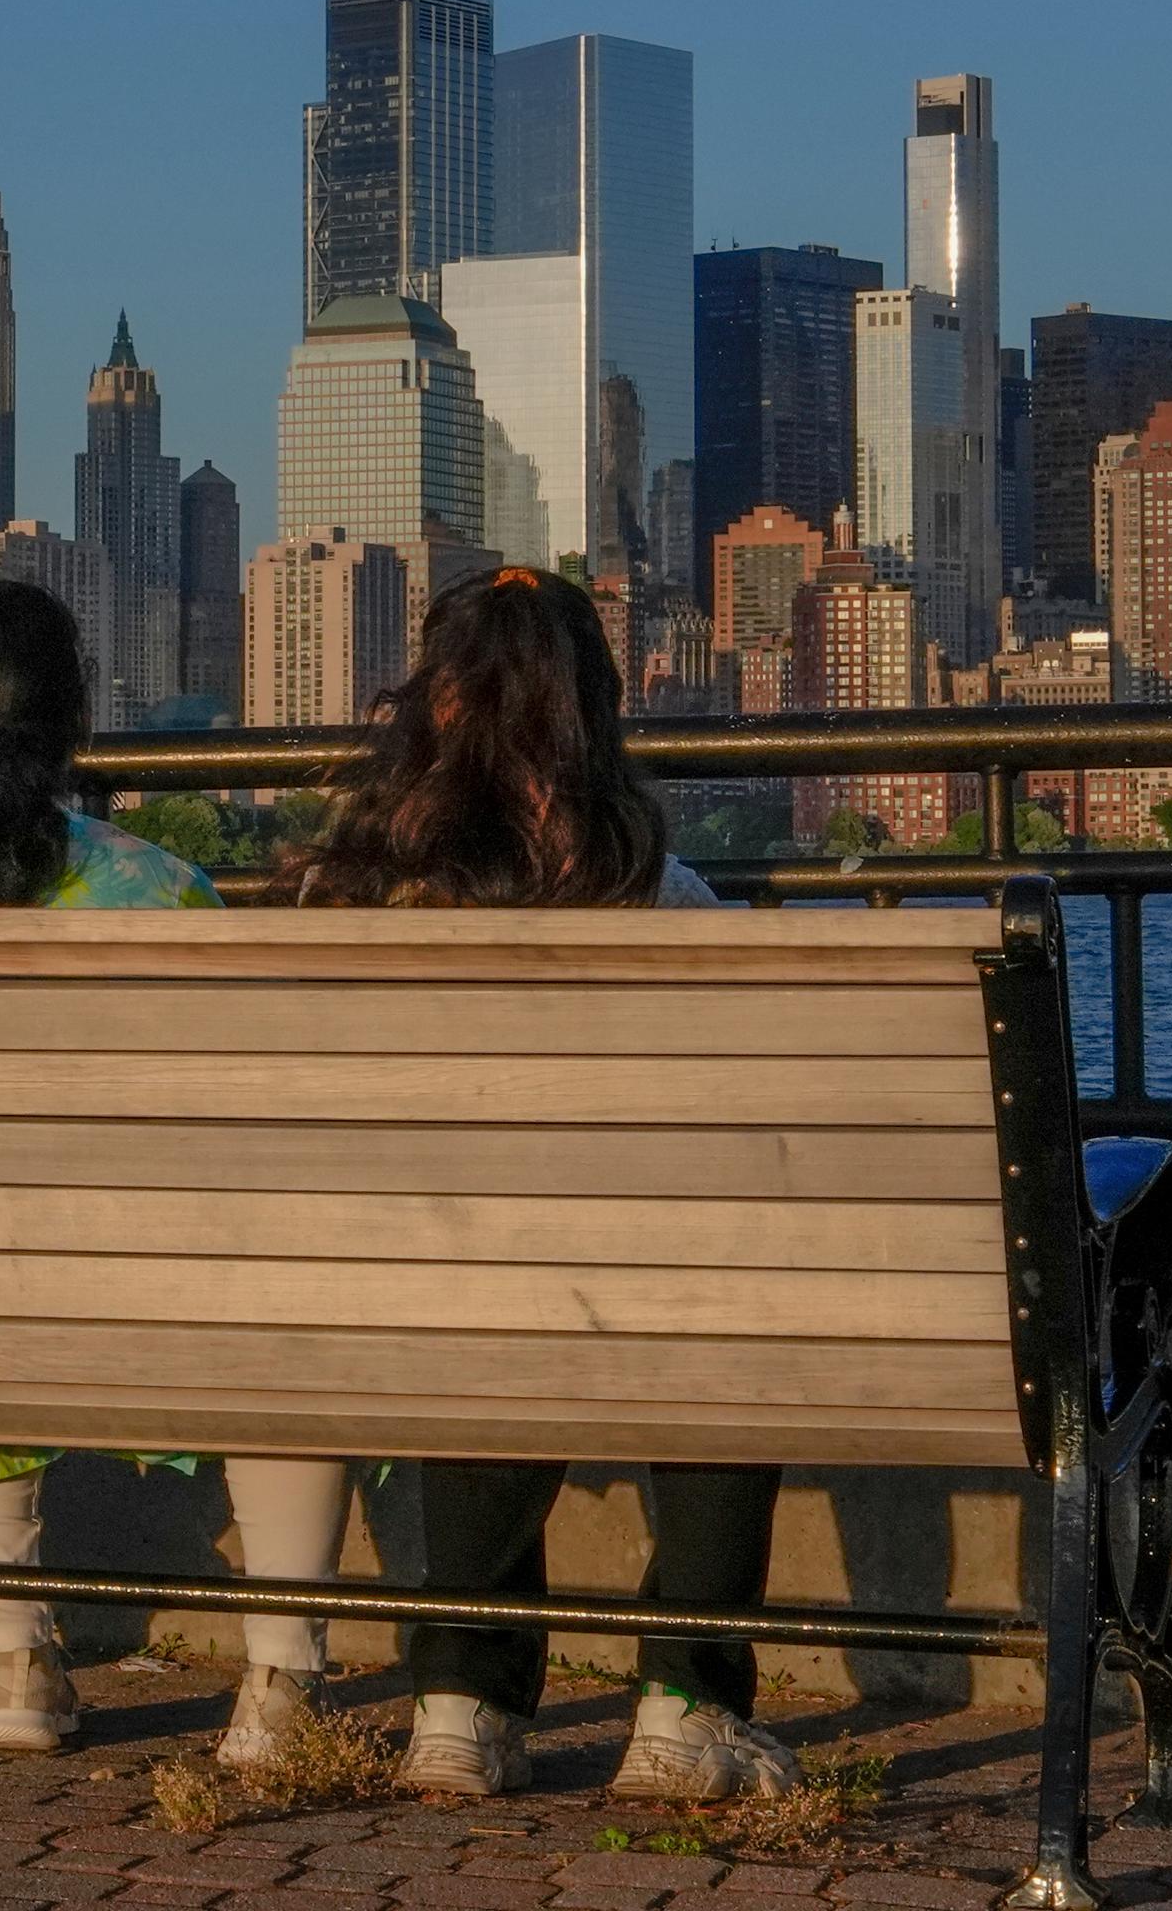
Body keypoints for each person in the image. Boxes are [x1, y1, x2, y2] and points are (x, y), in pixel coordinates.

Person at [0, 574, 354, 1766]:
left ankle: (13, 1659)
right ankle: (279, 1686)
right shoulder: (164, 894)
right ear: (78, 730)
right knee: (299, 1298)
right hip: (158, 1304)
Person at [286, 564, 799, 1804]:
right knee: (741, 1310)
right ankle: (684, 1706)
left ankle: (461, 1705)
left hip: (388, 1299)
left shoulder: (345, 896)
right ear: (595, 711)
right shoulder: (660, 896)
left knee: (471, 1294)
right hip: (616, 1303)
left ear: (432, 705)